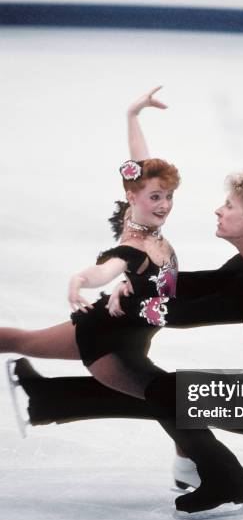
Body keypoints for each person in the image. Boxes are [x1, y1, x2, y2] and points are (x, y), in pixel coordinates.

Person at [9, 167, 243, 517]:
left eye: (230, 205)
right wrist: (139, 283)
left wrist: (133, 303)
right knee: (163, 392)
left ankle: (228, 480)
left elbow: (190, 314)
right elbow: (199, 285)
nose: (219, 210)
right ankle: (49, 400)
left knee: (164, 393)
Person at [1, 87, 182, 401]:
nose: (164, 204)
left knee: (167, 403)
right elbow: (108, 268)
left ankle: (39, 394)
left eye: (168, 196)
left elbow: (140, 166)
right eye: (156, 197)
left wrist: (132, 115)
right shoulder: (135, 244)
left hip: (130, 333)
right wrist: (81, 279)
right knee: (24, 341)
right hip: (107, 340)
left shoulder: (138, 212)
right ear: (133, 198)